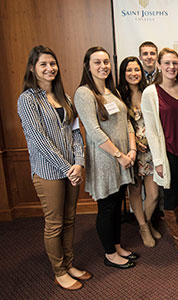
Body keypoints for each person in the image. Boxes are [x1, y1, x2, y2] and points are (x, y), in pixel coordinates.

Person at [17, 45, 90, 290]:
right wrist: (67, 167)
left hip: (72, 169)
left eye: (53, 64)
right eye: (43, 65)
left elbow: (77, 133)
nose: (50, 68)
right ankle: (59, 271)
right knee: (55, 223)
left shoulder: (64, 97)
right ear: (32, 68)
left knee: (70, 220)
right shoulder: (27, 99)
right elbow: (38, 138)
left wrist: (78, 163)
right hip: (48, 172)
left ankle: (69, 264)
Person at [74, 46, 137, 269]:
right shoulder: (84, 93)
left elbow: (127, 122)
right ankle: (110, 254)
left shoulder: (114, 92)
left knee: (117, 204)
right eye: (97, 62)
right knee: (107, 207)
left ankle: (117, 246)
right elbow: (93, 131)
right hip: (105, 160)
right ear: (88, 66)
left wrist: (132, 151)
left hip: (123, 158)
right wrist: (119, 156)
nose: (103, 66)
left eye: (106, 62)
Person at [141, 47, 178, 260]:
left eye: (175, 63)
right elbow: (152, 130)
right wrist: (157, 160)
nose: (171, 67)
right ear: (159, 65)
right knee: (171, 196)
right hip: (168, 154)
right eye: (167, 63)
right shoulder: (150, 93)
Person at [117, 56, 160, 247]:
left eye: (136, 70)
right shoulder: (118, 96)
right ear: (123, 73)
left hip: (151, 151)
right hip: (131, 151)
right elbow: (118, 125)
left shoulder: (149, 92)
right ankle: (143, 227)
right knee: (135, 191)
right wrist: (133, 144)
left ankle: (147, 221)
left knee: (153, 194)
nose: (133, 74)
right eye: (129, 70)